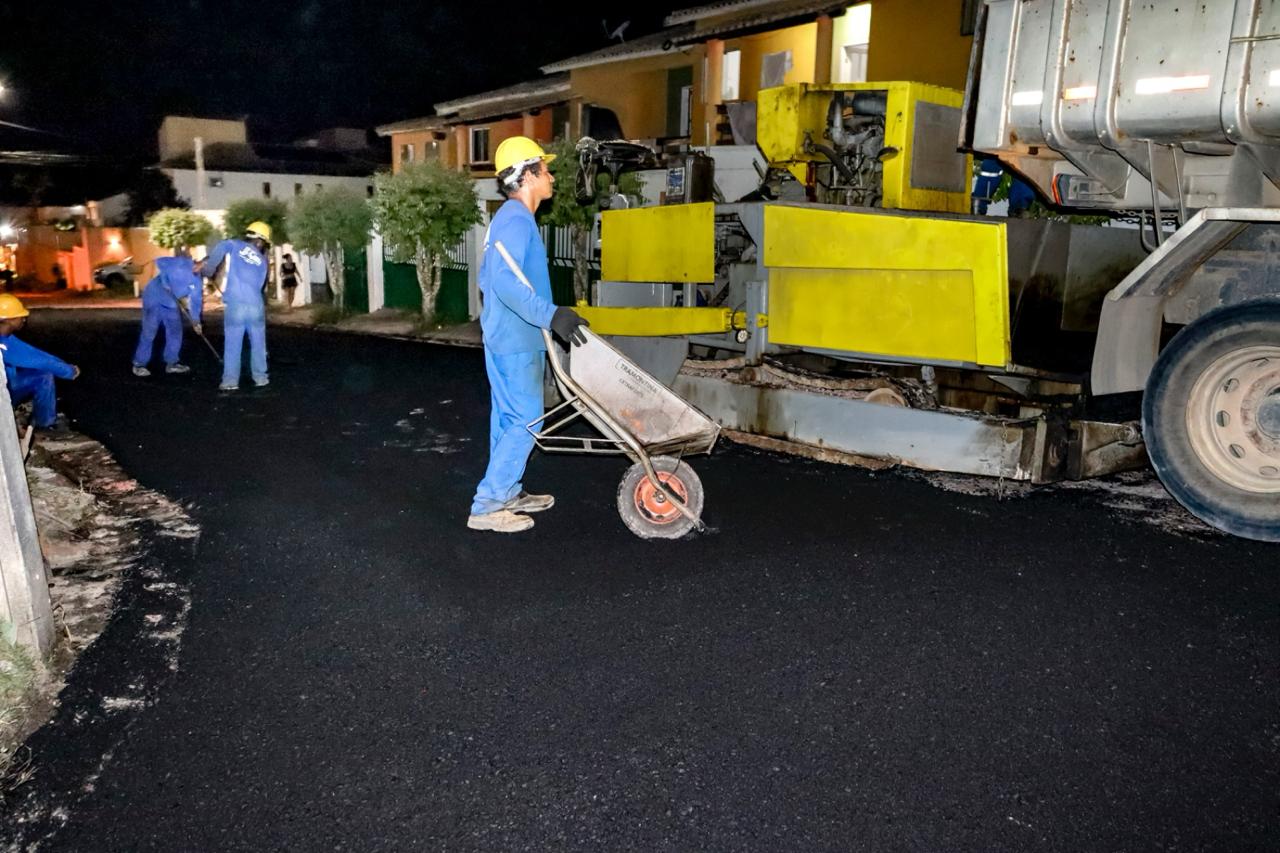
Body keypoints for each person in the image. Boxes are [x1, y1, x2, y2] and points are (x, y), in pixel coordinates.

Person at [467, 136, 591, 534]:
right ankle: (487, 505)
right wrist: (552, 315)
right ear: (529, 175)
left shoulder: (514, 219)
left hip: (516, 337)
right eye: (546, 169)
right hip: (515, 340)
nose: (551, 176)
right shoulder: (515, 220)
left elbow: (496, 283)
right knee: (526, 420)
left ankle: (506, 492)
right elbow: (503, 284)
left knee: (508, 419)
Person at [199, 221, 272, 391]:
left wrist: (208, 271)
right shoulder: (262, 261)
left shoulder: (234, 244)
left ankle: (230, 381)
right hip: (255, 305)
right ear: (260, 241)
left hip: (236, 304)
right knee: (258, 343)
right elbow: (260, 284)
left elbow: (219, 250)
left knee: (233, 343)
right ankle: (260, 377)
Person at [0, 294, 79, 431]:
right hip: (3, 395)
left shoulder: (6, 337)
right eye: (20, 316)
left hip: (7, 386)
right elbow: (39, 361)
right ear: (7, 320)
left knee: (43, 374)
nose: (24, 319)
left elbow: (35, 353)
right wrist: (69, 371)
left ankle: (42, 421)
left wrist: (63, 364)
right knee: (44, 377)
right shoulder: (3, 345)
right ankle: (45, 425)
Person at [132, 253, 203, 377]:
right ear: (199, 263)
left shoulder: (197, 281)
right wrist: (165, 281)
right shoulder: (182, 262)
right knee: (149, 332)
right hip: (154, 297)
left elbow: (195, 301)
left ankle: (172, 363)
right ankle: (139, 364)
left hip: (170, 302)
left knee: (175, 332)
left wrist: (196, 321)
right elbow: (160, 261)